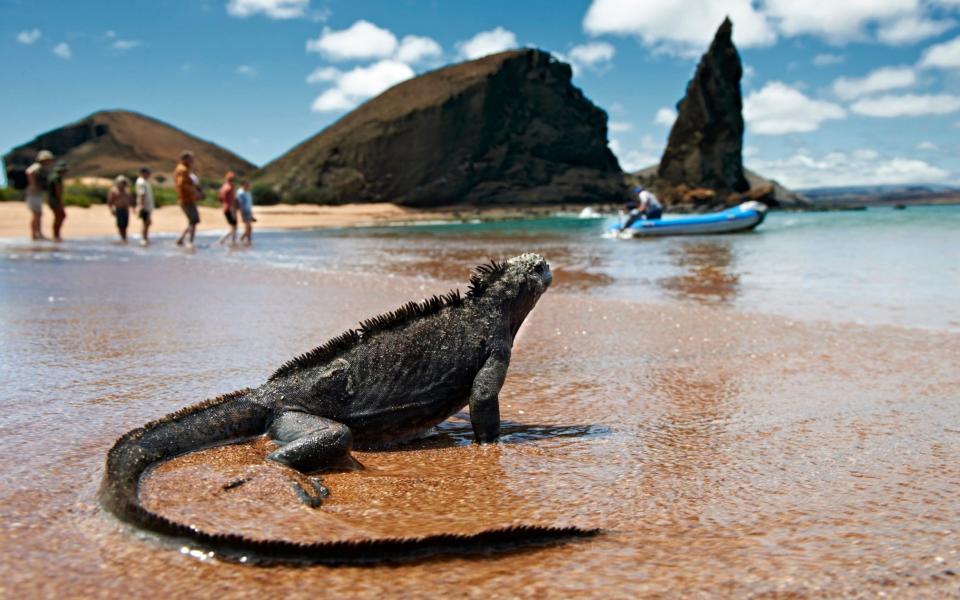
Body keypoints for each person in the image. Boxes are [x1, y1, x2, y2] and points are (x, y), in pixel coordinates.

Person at [25, 150, 54, 240]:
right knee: (36, 214)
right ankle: (35, 234)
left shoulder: (41, 168)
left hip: (37, 193)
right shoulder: (36, 167)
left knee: (38, 214)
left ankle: (38, 233)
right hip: (33, 194)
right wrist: (33, 185)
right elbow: (29, 172)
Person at [174, 151, 201, 248]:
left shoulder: (184, 169)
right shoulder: (183, 170)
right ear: (184, 159)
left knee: (192, 221)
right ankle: (190, 242)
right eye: (190, 159)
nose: (192, 161)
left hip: (187, 199)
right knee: (194, 220)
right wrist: (195, 192)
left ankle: (181, 239)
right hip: (186, 200)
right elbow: (182, 184)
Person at [107, 175, 134, 243]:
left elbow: (130, 199)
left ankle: (124, 238)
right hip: (119, 209)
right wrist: (111, 210)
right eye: (121, 182)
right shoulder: (114, 190)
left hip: (126, 209)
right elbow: (110, 201)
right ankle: (122, 238)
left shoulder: (127, 190)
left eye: (123, 182)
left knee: (125, 224)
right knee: (120, 225)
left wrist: (133, 207)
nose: (122, 183)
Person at [47, 161, 69, 242]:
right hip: (55, 200)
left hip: (52, 200)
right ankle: (56, 235)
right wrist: (60, 201)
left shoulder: (53, 177)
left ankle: (56, 234)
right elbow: (58, 190)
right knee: (60, 216)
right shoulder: (57, 178)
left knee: (60, 216)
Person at [135, 167, 155, 246]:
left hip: (147, 206)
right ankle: (144, 238)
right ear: (143, 173)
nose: (149, 175)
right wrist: (141, 205)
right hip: (145, 206)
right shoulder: (141, 182)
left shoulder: (145, 182)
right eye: (147, 173)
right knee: (145, 222)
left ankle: (145, 238)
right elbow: (141, 194)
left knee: (147, 222)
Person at [217, 172, 238, 245]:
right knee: (234, 226)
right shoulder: (229, 187)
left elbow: (220, 198)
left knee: (233, 226)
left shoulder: (224, 186)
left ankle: (231, 241)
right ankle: (224, 240)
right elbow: (230, 198)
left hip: (227, 208)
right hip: (230, 209)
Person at [236, 179, 255, 245]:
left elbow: (249, 204)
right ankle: (241, 240)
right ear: (243, 185)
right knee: (248, 227)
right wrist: (242, 214)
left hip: (248, 211)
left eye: (249, 185)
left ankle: (248, 241)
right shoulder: (241, 193)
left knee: (250, 228)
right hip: (245, 211)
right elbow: (240, 204)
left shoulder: (247, 192)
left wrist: (252, 214)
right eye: (247, 184)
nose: (248, 186)